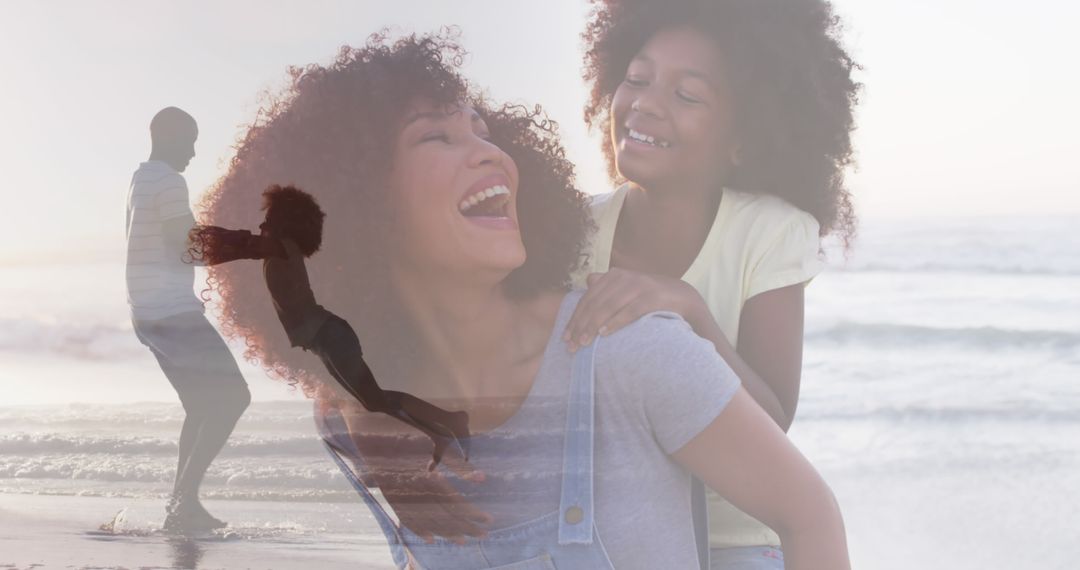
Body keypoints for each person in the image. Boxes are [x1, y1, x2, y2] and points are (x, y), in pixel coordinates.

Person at [194, 32, 849, 569]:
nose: (490, 153)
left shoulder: (640, 343)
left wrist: (691, 312)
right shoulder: (356, 422)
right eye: (437, 136)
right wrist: (372, 425)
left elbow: (793, 476)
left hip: (743, 526)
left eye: (483, 131)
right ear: (360, 206)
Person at [565, 0, 860, 567]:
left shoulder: (770, 232)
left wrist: (692, 311)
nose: (645, 103)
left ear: (742, 137)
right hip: (608, 537)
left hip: (736, 543)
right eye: (636, 79)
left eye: (687, 95)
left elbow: (772, 419)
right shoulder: (570, 230)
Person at [186, 184, 471, 469]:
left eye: (269, 221)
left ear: (284, 225)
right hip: (322, 341)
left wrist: (183, 240)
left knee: (375, 398)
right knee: (374, 401)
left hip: (331, 336)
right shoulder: (281, 249)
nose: (262, 224)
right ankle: (440, 433)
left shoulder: (283, 247)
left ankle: (451, 421)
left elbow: (239, 244)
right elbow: (239, 245)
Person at [125, 106, 251, 532]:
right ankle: (184, 503)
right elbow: (190, 247)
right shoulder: (169, 181)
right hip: (171, 313)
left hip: (145, 314)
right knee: (234, 398)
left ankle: (181, 506)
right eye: (190, 141)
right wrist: (254, 244)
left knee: (200, 406)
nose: (194, 152)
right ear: (166, 136)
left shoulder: (141, 178)